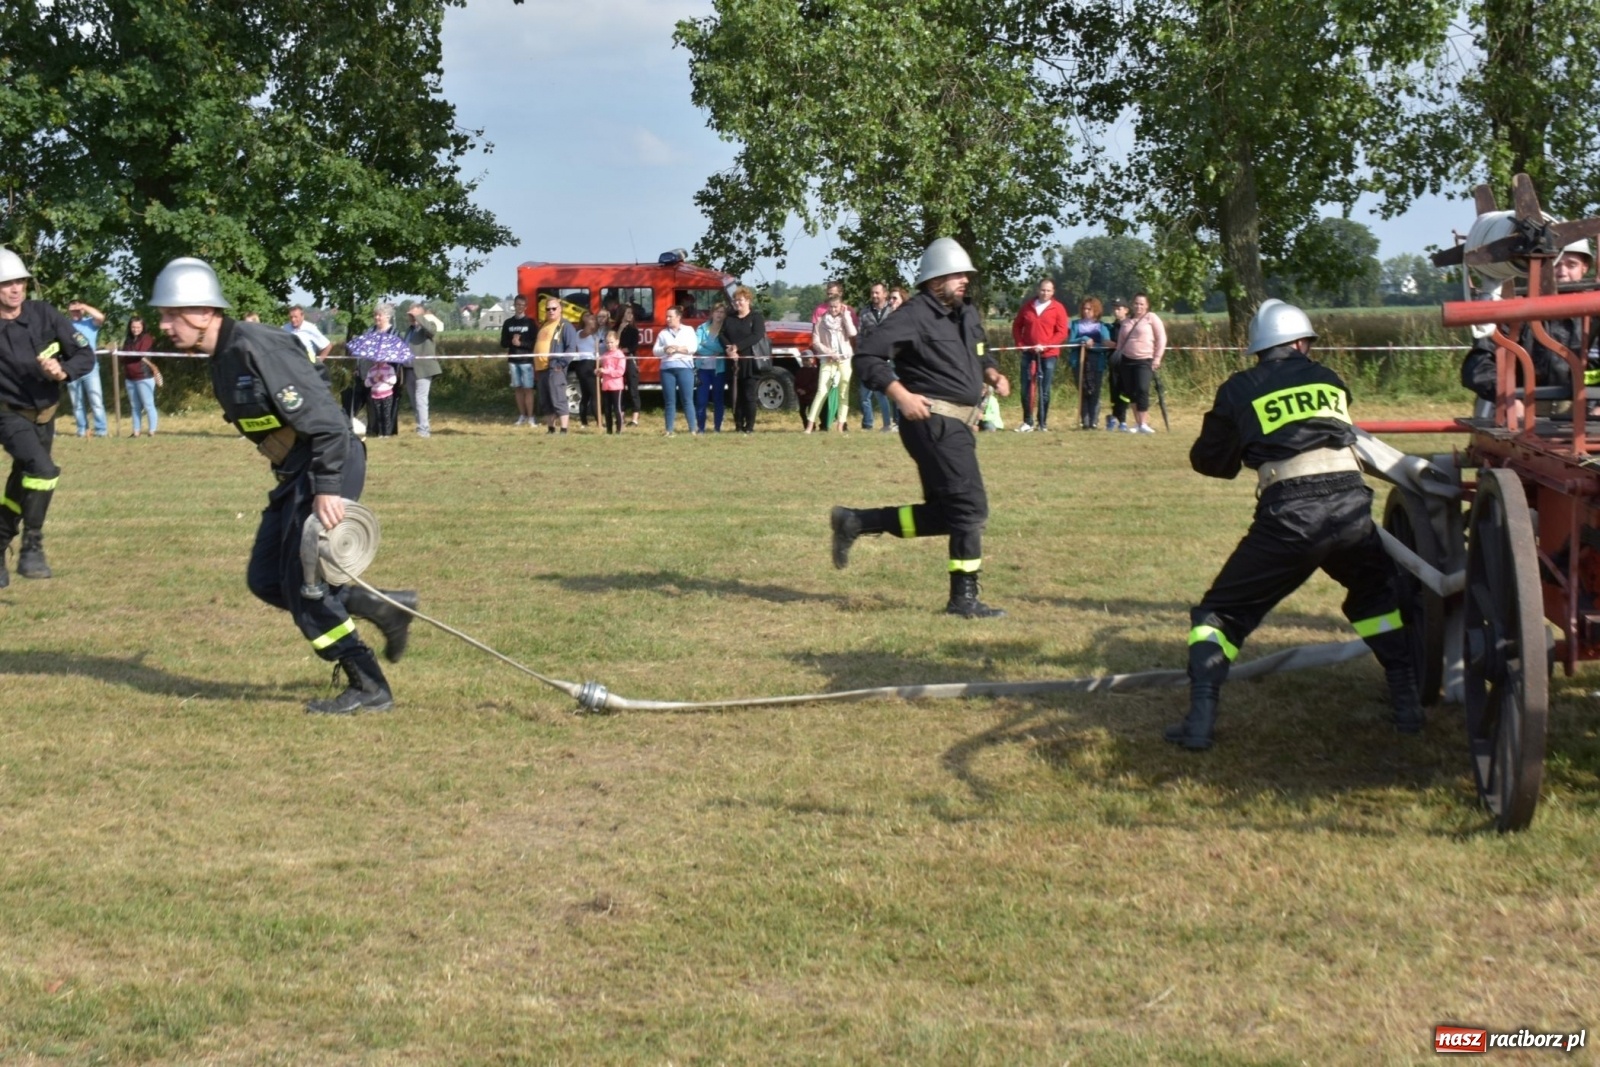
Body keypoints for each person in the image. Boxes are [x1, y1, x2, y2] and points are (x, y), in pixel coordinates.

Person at [149, 256, 418, 714]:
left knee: (305, 588)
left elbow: (330, 426)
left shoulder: (258, 347)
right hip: (296, 471)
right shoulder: (220, 356)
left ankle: (368, 684)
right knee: (267, 579)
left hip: (326, 463)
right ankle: (381, 606)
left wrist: (327, 487)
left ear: (205, 312)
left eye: (173, 314)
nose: (165, 324)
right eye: (163, 314)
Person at [1170, 298, 1421, 750]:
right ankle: (1407, 704)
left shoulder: (1238, 388)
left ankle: (1199, 722)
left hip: (1290, 517)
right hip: (1351, 509)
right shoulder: (1329, 379)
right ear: (1303, 343)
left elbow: (1210, 462)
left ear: (1259, 349)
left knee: (1218, 615)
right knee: (1376, 596)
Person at [830, 237, 1012, 617]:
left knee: (948, 514)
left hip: (959, 426)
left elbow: (980, 349)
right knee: (970, 508)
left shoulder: (966, 313)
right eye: (956, 275)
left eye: (965, 274)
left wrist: (991, 371)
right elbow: (867, 356)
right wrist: (900, 394)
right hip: (932, 423)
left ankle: (857, 521)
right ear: (934, 281)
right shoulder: (913, 315)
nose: (964, 280)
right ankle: (963, 599)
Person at [0, 248, 95, 583]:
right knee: (42, 470)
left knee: (22, 481)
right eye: (7, 283)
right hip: (8, 415)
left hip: (46, 414)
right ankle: (32, 548)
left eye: (20, 282)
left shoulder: (44, 314)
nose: (15, 289)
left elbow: (85, 354)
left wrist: (63, 371)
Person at [1460, 238, 1594, 420]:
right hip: (1519, 415)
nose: (1562, 272)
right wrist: (1507, 398)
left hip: (1583, 416)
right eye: (1555, 264)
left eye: (1571, 265)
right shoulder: (1513, 312)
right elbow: (1478, 366)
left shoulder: (1595, 318)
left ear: (1584, 267)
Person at [1009, 278, 1069, 433]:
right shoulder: (1028, 307)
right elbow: (1017, 326)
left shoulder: (1058, 308)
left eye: (1048, 290)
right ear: (1038, 290)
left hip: (1048, 355)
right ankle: (1027, 422)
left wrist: (1046, 345)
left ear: (1053, 292)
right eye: (1043, 290)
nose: (1045, 293)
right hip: (1029, 353)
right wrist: (1020, 344)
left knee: (1045, 389)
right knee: (1026, 388)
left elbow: (1062, 331)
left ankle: (1042, 423)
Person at [1109, 292, 1166, 434]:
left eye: (1141, 304)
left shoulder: (1151, 318)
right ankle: (1137, 422)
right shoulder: (1126, 322)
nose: (1138, 306)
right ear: (1132, 305)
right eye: (1136, 303)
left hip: (1145, 360)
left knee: (1142, 389)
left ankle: (1144, 423)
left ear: (1147, 305)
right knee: (1131, 392)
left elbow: (1161, 338)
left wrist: (1157, 358)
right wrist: (1118, 357)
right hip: (1127, 361)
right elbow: (1121, 343)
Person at [806, 290, 857, 433]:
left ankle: (840, 425)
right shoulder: (821, 321)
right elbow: (815, 341)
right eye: (831, 307)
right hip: (827, 360)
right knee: (822, 390)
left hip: (844, 359)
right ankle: (810, 425)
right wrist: (829, 352)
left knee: (843, 391)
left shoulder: (845, 318)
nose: (834, 310)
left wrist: (846, 316)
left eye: (836, 307)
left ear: (841, 306)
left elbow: (853, 333)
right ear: (828, 307)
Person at [722, 287, 768, 435]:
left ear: (748, 301)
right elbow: (721, 335)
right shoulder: (729, 318)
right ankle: (738, 425)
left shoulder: (756, 317)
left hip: (750, 362)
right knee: (735, 395)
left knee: (749, 395)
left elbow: (757, 335)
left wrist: (738, 347)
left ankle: (749, 427)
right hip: (733, 362)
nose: (737, 303)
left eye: (740, 300)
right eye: (735, 300)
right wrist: (729, 349)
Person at [534, 296, 578, 434]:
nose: (551, 311)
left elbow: (571, 348)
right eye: (548, 309)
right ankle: (551, 428)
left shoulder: (565, 326)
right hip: (541, 369)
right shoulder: (544, 325)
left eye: (554, 308)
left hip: (555, 368)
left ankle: (564, 429)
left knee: (558, 398)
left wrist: (561, 364)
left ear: (560, 309)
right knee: (546, 400)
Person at [654, 305, 699, 436]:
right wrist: (664, 349)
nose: (667, 319)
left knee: (687, 400)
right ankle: (669, 430)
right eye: (666, 316)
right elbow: (655, 351)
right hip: (667, 369)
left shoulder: (688, 330)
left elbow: (693, 348)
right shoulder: (663, 333)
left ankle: (692, 429)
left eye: (670, 316)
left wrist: (678, 349)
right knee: (669, 401)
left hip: (685, 368)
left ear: (678, 317)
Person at [65, 301, 108, 437]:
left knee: (96, 401)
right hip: (72, 368)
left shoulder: (90, 323)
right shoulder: (65, 326)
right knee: (76, 403)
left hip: (91, 369)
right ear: (68, 311)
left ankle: (101, 430)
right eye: (73, 310)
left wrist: (84, 306)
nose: (76, 313)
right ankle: (81, 430)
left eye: (78, 310)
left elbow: (101, 317)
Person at [1067, 297, 1110, 430]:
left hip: (1096, 362)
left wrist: (1093, 347)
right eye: (1084, 308)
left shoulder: (1102, 326)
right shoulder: (1075, 324)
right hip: (1079, 362)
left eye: (1089, 309)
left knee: (1094, 392)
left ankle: (1094, 421)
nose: (1086, 311)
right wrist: (1083, 339)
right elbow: (1070, 342)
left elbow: (1105, 344)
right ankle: (1085, 421)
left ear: (1095, 310)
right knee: (1083, 391)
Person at [856, 283, 895, 430]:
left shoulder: (892, 312)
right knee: (864, 395)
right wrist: (860, 351)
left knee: (882, 394)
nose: (874, 296)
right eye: (872, 293)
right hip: (869, 357)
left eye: (877, 293)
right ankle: (868, 424)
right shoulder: (865, 312)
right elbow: (859, 334)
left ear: (885, 294)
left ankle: (887, 424)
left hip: (887, 358)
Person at [402, 304, 442, 437]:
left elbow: (431, 331)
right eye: (409, 314)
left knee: (421, 399)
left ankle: (424, 430)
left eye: (413, 314)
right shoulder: (409, 330)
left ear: (421, 315)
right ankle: (420, 426)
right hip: (408, 369)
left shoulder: (427, 327)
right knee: (414, 401)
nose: (410, 317)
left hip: (423, 370)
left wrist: (418, 317)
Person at [120, 316, 163, 437]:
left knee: (148, 404)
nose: (135, 329)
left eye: (138, 327)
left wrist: (128, 355)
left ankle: (152, 431)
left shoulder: (147, 338)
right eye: (133, 327)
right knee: (135, 406)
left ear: (143, 327)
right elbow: (122, 358)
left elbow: (139, 354)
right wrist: (128, 355)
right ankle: (136, 431)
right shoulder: (128, 340)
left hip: (144, 377)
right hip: (130, 378)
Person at [500, 294, 536, 425]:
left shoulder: (530, 323)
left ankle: (531, 417)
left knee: (528, 389)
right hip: (513, 361)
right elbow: (503, 343)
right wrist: (512, 341)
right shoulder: (508, 323)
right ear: (514, 306)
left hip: (526, 361)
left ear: (526, 307)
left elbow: (534, 343)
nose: (519, 307)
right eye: (517, 305)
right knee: (518, 389)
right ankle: (522, 415)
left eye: (522, 305)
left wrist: (521, 344)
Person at [693, 303, 728, 433]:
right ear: (712, 313)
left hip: (719, 370)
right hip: (702, 369)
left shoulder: (725, 329)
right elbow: (697, 346)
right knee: (701, 399)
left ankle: (717, 428)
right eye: (717, 311)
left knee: (718, 399)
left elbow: (723, 348)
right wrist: (714, 349)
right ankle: (701, 428)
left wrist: (707, 345)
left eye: (722, 312)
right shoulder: (702, 328)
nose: (719, 314)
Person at [570, 311, 603, 428]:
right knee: (594, 394)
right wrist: (591, 323)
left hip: (594, 363)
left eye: (592, 317)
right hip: (585, 364)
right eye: (588, 317)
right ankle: (598, 422)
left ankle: (584, 421)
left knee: (588, 395)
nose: (591, 319)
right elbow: (587, 331)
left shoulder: (596, 333)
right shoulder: (580, 333)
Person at [617, 305, 643, 427]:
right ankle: (620, 416)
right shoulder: (615, 328)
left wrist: (624, 350)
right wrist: (620, 329)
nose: (630, 315)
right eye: (627, 312)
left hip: (630, 359)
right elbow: (613, 342)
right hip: (617, 361)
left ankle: (635, 419)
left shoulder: (634, 330)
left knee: (633, 388)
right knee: (619, 389)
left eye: (631, 313)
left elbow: (634, 346)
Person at [600, 329, 627, 434]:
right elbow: (602, 368)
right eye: (607, 342)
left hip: (616, 386)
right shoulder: (605, 355)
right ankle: (609, 430)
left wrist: (605, 371)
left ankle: (619, 429)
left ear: (617, 341)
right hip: (606, 386)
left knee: (617, 408)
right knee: (607, 409)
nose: (609, 345)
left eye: (611, 342)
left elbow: (620, 372)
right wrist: (599, 371)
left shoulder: (620, 355)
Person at [365, 359, 399, 437]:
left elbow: (393, 380)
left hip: (387, 395)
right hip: (376, 396)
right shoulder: (371, 370)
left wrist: (383, 378)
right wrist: (374, 380)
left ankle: (387, 433)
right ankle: (381, 432)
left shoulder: (390, 368)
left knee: (386, 415)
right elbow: (366, 383)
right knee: (379, 415)